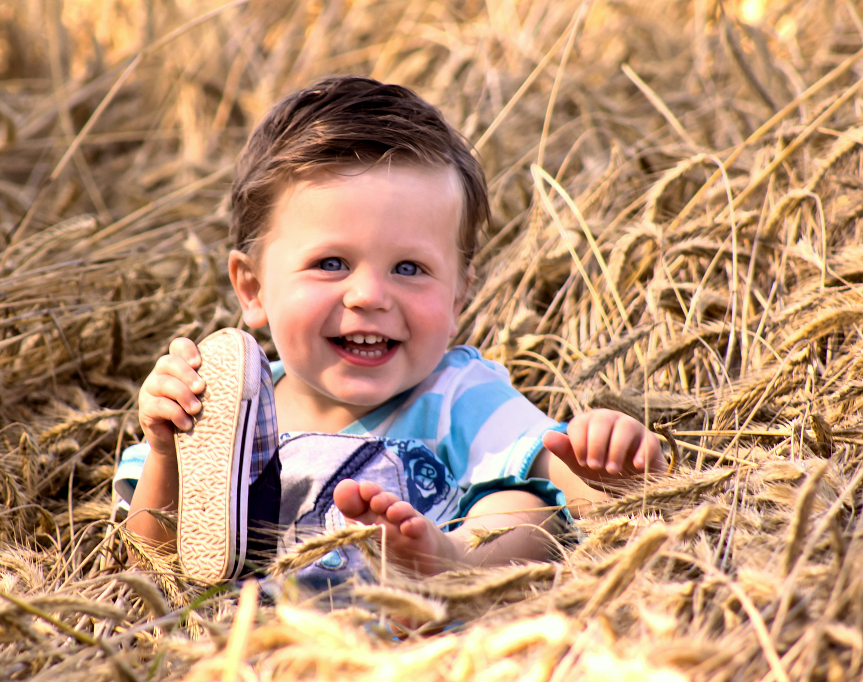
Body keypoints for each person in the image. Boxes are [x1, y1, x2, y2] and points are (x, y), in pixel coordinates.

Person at [115, 76, 665, 586]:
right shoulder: (224, 407)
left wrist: (613, 469)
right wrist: (167, 451)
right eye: (331, 263)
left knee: (523, 501)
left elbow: (568, 490)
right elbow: (152, 563)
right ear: (253, 288)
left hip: (417, 622)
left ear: (457, 297)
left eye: (409, 269)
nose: (370, 296)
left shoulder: (457, 395)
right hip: (257, 638)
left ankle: (448, 564)